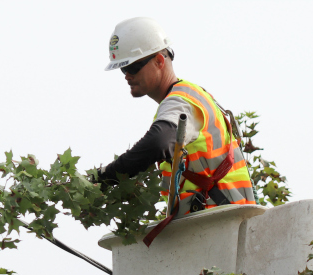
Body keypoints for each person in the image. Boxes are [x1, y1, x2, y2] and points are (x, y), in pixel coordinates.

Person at [97, 17, 256, 219]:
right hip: (221, 218)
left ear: (159, 61)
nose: (127, 75)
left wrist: (105, 177)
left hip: (218, 219)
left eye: (133, 67)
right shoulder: (190, 95)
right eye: (122, 69)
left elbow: (158, 142)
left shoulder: (181, 101)